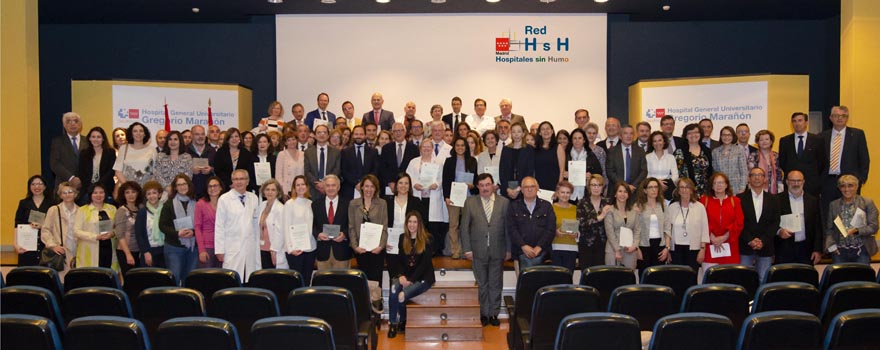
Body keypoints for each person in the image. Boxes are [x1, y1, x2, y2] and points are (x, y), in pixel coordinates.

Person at [461, 174, 510, 327]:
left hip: (498, 250)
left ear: (493, 185)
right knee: (482, 284)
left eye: (487, 184)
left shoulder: (504, 203)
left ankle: (494, 314)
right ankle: (483, 313)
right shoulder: (470, 202)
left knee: (496, 284)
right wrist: (467, 249)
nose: (485, 188)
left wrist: (508, 249)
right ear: (477, 186)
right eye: (481, 185)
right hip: (477, 251)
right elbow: (464, 228)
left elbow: (509, 229)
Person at [387, 211, 435, 338]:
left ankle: (402, 321)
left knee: (402, 295)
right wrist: (401, 275)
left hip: (423, 277)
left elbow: (424, 264)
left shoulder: (427, 239)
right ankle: (392, 323)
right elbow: (399, 261)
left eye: (415, 222)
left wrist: (411, 280)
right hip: (406, 275)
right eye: (409, 222)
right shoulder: (403, 237)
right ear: (406, 223)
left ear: (419, 224)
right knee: (393, 289)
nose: (412, 225)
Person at [215, 169, 261, 282]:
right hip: (231, 247)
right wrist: (219, 249)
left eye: (242, 179)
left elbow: (256, 224)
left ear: (247, 181)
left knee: (249, 279)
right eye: (236, 179)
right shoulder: (224, 199)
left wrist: (257, 244)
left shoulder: (254, 198)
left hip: (250, 246)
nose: (239, 182)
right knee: (231, 279)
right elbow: (219, 225)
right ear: (232, 181)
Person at [822, 106, 870, 211]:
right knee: (828, 213)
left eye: (843, 116)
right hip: (828, 182)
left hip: (849, 183)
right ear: (830, 118)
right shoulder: (822, 136)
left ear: (847, 118)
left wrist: (860, 180)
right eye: (836, 116)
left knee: (850, 214)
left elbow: (864, 159)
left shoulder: (857, 135)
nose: (840, 118)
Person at [824, 175, 878, 264]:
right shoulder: (833, 205)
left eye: (850, 185)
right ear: (839, 188)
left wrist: (856, 230)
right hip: (839, 252)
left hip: (862, 250)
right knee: (840, 278)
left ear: (857, 186)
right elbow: (829, 229)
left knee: (861, 277)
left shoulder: (867, 203)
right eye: (843, 186)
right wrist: (831, 247)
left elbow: (874, 227)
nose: (846, 189)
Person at [738, 167, 780, 281]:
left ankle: (760, 300)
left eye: (760, 175)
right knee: (743, 279)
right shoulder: (739, 198)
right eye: (753, 175)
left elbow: (775, 223)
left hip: (765, 247)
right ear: (749, 179)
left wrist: (762, 240)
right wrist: (750, 240)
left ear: (764, 179)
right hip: (745, 246)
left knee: (763, 279)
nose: (757, 178)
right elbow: (738, 222)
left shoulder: (774, 199)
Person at [507, 177, 556, 270]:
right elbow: (511, 229)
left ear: (537, 188)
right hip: (520, 253)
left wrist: (539, 247)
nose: (529, 189)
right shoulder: (513, 206)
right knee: (523, 284)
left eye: (532, 186)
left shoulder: (546, 206)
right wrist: (523, 246)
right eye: (526, 187)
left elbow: (550, 229)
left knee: (542, 284)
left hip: (543, 254)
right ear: (521, 189)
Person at [775, 170, 823, 265]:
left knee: (805, 278)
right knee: (784, 278)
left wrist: (817, 250)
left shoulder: (813, 201)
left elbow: (818, 227)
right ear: (787, 182)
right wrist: (779, 231)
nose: (796, 184)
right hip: (783, 249)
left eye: (799, 180)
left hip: (806, 250)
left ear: (803, 182)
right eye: (792, 181)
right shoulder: (776, 200)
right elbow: (771, 222)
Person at [407, 140, 447, 252]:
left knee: (433, 226)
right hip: (419, 197)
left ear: (432, 148)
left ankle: (433, 250)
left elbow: (442, 178)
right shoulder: (413, 162)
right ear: (420, 148)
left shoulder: (438, 162)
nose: (426, 149)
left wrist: (437, 184)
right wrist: (414, 184)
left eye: (429, 147)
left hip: (433, 196)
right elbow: (408, 177)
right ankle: (419, 249)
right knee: (420, 223)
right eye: (424, 147)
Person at [349, 174, 389, 285]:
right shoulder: (353, 204)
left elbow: (384, 227)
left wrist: (381, 246)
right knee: (362, 281)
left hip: (377, 250)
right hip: (360, 249)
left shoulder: (382, 203)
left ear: (376, 188)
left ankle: (376, 302)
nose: (369, 189)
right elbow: (351, 227)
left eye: (372, 186)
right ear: (361, 187)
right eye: (366, 186)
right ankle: (363, 303)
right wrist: (355, 246)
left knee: (376, 280)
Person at [159, 174, 198, 283]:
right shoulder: (168, 204)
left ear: (189, 185)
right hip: (174, 247)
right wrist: (177, 233)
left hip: (193, 248)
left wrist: (193, 232)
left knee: (191, 279)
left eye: (184, 184)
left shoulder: (197, 202)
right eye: (179, 185)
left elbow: (201, 224)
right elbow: (162, 226)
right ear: (175, 187)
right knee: (174, 278)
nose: (182, 187)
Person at [700, 173, 744, 271]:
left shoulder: (735, 201)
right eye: (715, 183)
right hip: (710, 245)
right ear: (711, 186)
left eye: (721, 182)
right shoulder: (704, 200)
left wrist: (724, 237)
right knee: (710, 280)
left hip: (730, 245)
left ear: (726, 185)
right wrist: (712, 237)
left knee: (729, 280)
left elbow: (739, 222)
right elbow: (701, 222)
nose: (718, 185)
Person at [442, 138, 477, 258]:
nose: (460, 147)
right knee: (453, 225)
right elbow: (445, 180)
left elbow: (476, 180)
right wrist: (446, 197)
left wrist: (472, 186)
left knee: (467, 225)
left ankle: (467, 250)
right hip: (454, 197)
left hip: (468, 197)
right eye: (457, 145)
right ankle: (455, 250)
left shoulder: (472, 161)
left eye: (462, 145)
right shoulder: (449, 161)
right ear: (454, 147)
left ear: (466, 147)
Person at [386, 173, 426, 278]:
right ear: (396, 185)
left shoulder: (416, 202)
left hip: (409, 242)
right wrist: (383, 241)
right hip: (392, 243)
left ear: (410, 185)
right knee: (394, 277)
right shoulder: (387, 202)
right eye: (400, 183)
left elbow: (422, 223)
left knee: (409, 276)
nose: (403, 186)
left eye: (406, 183)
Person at [664, 178, 709, 271]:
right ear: (678, 190)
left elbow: (705, 229)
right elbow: (667, 229)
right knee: (677, 279)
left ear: (692, 190)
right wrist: (667, 248)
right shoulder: (672, 207)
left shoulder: (699, 207)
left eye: (687, 187)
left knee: (691, 278)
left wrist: (702, 249)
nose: (684, 190)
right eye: (682, 187)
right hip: (675, 249)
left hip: (694, 249)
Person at [778, 112, 824, 197]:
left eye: (800, 120)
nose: (797, 123)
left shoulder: (817, 140)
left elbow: (821, 163)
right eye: (794, 121)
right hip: (791, 183)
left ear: (806, 122)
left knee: (811, 209)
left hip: (811, 184)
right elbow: (783, 162)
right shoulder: (784, 141)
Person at [74, 183, 118, 270]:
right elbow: (76, 231)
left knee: (108, 274)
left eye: (101, 192)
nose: (98, 195)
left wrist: (113, 233)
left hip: (109, 247)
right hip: (90, 247)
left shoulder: (112, 209)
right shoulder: (82, 210)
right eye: (95, 193)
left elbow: (117, 228)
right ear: (90, 194)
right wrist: (95, 237)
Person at [313, 175, 352, 270]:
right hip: (323, 252)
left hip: (342, 252)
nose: (330, 188)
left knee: (341, 283)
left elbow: (352, 225)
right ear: (323, 187)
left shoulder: (349, 204)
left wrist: (345, 234)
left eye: (333, 185)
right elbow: (312, 225)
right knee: (324, 283)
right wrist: (318, 234)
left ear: (338, 187)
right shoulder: (315, 204)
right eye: (327, 185)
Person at [283, 175, 317, 283]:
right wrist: (291, 248)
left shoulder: (311, 203)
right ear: (294, 188)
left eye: (303, 184)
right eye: (297, 185)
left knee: (307, 280)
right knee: (296, 281)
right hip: (295, 250)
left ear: (307, 187)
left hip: (310, 248)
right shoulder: (289, 204)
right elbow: (286, 227)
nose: (300, 187)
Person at [40, 182, 78, 278]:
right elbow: (45, 230)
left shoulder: (81, 211)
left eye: (70, 192)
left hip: (77, 251)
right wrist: (52, 246)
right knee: (62, 281)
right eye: (64, 192)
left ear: (75, 194)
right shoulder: (54, 210)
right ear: (60, 195)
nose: (68, 195)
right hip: (61, 252)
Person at [14, 175, 53, 266]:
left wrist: (42, 226)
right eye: (33, 184)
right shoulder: (24, 203)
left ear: (45, 186)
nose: (37, 187)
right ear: (29, 187)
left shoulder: (52, 204)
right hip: (27, 244)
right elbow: (17, 223)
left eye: (40, 184)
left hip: (46, 244)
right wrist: (15, 244)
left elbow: (55, 225)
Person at [577, 174, 613, 268]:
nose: (596, 188)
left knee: (599, 275)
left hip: (603, 243)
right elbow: (581, 224)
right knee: (586, 273)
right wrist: (599, 217)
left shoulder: (608, 202)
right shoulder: (582, 202)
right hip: (586, 243)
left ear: (603, 187)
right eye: (593, 185)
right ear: (589, 187)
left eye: (599, 185)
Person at [635, 178, 669, 276]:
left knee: (658, 277)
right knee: (644, 277)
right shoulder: (638, 206)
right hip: (644, 246)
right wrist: (637, 248)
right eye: (650, 187)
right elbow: (636, 229)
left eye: (656, 187)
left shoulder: (663, 205)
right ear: (645, 190)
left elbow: (667, 228)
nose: (654, 190)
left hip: (660, 246)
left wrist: (667, 247)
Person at [605, 182, 641, 269]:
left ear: (628, 195)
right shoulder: (610, 210)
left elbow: (637, 230)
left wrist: (634, 246)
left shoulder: (634, 211)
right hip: (613, 250)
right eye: (620, 191)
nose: (622, 194)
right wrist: (617, 250)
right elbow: (610, 232)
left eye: (625, 192)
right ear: (615, 194)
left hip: (630, 250)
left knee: (629, 278)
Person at [113, 122, 157, 194]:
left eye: (141, 131)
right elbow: (118, 171)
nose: (138, 133)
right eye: (135, 131)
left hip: (146, 191)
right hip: (127, 191)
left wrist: (147, 188)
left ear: (145, 134)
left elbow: (155, 172)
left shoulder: (152, 150)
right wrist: (129, 187)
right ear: (131, 134)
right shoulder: (124, 148)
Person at [77, 127, 117, 205]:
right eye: (93, 137)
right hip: (88, 189)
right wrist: (91, 188)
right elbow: (81, 172)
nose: (96, 139)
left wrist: (99, 185)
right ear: (89, 138)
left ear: (103, 139)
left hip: (106, 188)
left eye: (99, 137)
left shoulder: (110, 152)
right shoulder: (84, 153)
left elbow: (111, 171)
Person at [380, 122, 420, 195]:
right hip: (390, 187)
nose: (398, 133)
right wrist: (389, 182)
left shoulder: (414, 149)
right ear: (392, 133)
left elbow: (416, 168)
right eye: (395, 131)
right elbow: (383, 168)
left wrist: (407, 183)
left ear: (405, 132)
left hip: (407, 186)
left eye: (401, 130)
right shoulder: (386, 148)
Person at [674, 123, 713, 196]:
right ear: (685, 136)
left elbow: (710, 171)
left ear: (700, 134)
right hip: (687, 190)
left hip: (705, 191)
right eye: (689, 133)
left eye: (696, 132)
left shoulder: (707, 151)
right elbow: (678, 173)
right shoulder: (679, 151)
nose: (693, 135)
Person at [340, 125, 379, 199]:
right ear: (353, 135)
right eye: (356, 134)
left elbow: (375, 170)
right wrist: (356, 183)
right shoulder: (345, 152)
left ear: (365, 135)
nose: (359, 136)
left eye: (361, 134)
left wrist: (364, 183)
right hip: (350, 189)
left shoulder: (373, 152)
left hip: (368, 188)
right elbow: (344, 171)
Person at [565, 128, 602, 204]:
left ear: (584, 140)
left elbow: (599, 173)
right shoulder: (566, 155)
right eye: (574, 138)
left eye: (579, 138)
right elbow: (557, 172)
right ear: (571, 140)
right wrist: (563, 174)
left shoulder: (590, 155)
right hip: (568, 193)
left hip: (586, 193)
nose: (577, 140)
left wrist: (591, 177)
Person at [304, 124, 341, 199]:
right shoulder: (308, 152)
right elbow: (307, 171)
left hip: (330, 189)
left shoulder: (336, 152)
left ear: (328, 136)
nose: (322, 135)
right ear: (315, 135)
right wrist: (317, 184)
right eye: (319, 132)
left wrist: (326, 183)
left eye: (324, 132)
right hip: (313, 190)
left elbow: (337, 170)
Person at [606, 125, 648, 192]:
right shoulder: (612, 151)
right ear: (620, 136)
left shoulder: (640, 151)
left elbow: (643, 171)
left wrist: (633, 186)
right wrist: (624, 186)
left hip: (635, 190)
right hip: (617, 190)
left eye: (631, 133)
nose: (629, 136)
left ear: (634, 136)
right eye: (625, 133)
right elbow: (610, 172)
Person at [113, 181, 142, 276]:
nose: (130, 195)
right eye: (127, 192)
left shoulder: (141, 209)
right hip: (126, 251)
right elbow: (120, 235)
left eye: (133, 192)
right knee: (130, 279)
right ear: (123, 195)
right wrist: (128, 254)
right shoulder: (121, 211)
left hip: (139, 251)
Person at [499, 123, 534, 200]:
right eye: (514, 132)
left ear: (523, 133)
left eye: (519, 131)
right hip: (507, 190)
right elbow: (502, 171)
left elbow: (530, 171)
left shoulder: (529, 149)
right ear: (511, 133)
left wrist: (519, 189)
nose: (516, 134)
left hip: (523, 190)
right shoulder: (506, 149)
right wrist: (507, 189)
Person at [135, 181, 166, 268]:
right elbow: (139, 234)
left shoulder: (166, 210)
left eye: (154, 193)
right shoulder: (142, 212)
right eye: (149, 194)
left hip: (164, 250)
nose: (152, 196)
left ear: (159, 195)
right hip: (149, 251)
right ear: (146, 196)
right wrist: (145, 252)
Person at [257, 179, 287, 269]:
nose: (270, 192)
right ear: (263, 191)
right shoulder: (261, 205)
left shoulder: (280, 209)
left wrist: (274, 250)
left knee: (272, 278)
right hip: (261, 248)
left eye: (273, 190)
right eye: (267, 189)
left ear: (278, 192)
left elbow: (280, 232)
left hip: (273, 250)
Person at [195, 176, 223, 268]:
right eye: (209, 186)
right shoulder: (201, 204)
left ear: (221, 187)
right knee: (206, 278)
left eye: (215, 186)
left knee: (223, 277)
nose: (212, 188)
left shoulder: (226, 203)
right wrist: (201, 250)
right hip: (207, 247)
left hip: (223, 246)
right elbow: (197, 227)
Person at [551, 181, 578, 272]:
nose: (565, 195)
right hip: (555, 247)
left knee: (568, 277)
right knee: (557, 278)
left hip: (572, 247)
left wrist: (577, 235)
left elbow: (581, 227)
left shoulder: (576, 209)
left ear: (571, 194)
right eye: (562, 192)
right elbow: (546, 227)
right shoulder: (551, 208)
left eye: (568, 192)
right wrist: (554, 232)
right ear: (557, 193)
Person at [712, 126, 749, 194]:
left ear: (733, 136)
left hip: (736, 189)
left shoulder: (739, 150)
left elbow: (744, 172)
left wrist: (742, 188)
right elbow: (715, 173)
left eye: (729, 135)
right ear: (721, 136)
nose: (726, 137)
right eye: (724, 135)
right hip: (721, 189)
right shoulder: (715, 152)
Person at [646, 131, 679, 201]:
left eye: (660, 140)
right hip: (651, 189)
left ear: (664, 142)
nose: (657, 143)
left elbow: (675, 175)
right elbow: (646, 175)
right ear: (652, 143)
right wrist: (657, 183)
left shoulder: (671, 157)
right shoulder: (647, 157)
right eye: (654, 141)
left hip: (667, 190)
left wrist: (667, 184)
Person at [748, 130, 783, 194]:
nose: (764, 142)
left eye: (767, 139)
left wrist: (780, 190)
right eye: (761, 140)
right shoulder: (753, 156)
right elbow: (750, 175)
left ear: (771, 141)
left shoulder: (776, 156)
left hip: (775, 191)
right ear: (757, 142)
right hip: (757, 190)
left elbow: (779, 175)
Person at [533, 121, 566, 191]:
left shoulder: (558, 147)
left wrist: (559, 187)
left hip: (554, 185)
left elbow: (562, 170)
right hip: (538, 185)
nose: (546, 131)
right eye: (543, 129)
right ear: (539, 133)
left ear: (552, 131)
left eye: (548, 128)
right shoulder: (535, 148)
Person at [188, 125, 216, 197]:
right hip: (190, 190)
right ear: (191, 136)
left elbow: (218, 168)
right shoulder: (185, 151)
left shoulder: (212, 150)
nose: (201, 137)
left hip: (208, 191)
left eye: (203, 134)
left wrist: (211, 169)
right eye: (197, 134)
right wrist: (190, 170)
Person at [275, 131, 305, 198]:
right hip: (286, 191)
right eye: (289, 140)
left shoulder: (303, 154)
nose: (292, 142)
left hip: (301, 190)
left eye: (294, 139)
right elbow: (278, 175)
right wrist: (283, 192)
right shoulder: (282, 154)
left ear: (297, 140)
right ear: (285, 142)